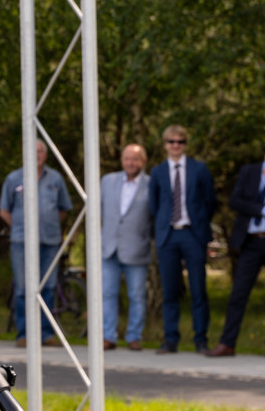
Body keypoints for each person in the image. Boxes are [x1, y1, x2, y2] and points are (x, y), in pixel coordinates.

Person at [148, 125, 216, 354]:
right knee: (169, 291)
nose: (175, 145)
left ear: (186, 144)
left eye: (180, 142)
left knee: (198, 288)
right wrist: (160, 229)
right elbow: (154, 205)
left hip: (192, 234)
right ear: (165, 144)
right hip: (168, 236)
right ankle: (170, 339)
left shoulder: (199, 169)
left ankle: (200, 339)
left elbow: (209, 202)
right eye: (171, 141)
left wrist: (200, 227)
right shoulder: (157, 172)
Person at [0, 139, 72, 347]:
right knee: (22, 288)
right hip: (21, 242)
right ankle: (24, 334)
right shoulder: (13, 179)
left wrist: (46, 224)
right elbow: (4, 210)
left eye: (40, 151)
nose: (36, 154)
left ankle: (46, 334)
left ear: (46, 155)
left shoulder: (56, 179)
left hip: (49, 241)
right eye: (33, 151)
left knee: (48, 287)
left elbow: (64, 208)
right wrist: (23, 227)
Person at [206, 152, 265, 357]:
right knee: (238, 294)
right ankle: (227, 343)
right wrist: (261, 209)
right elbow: (235, 201)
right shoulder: (249, 172)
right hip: (251, 242)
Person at [99, 144, 153, 351]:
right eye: (127, 159)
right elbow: (98, 211)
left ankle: (134, 336)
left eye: (135, 159)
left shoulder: (151, 184)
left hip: (136, 248)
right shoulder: (107, 181)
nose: (131, 163)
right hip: (109, 247)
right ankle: (108, 336)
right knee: (107, 293)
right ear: (121, 161)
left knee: (137, 295)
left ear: (143, 161)